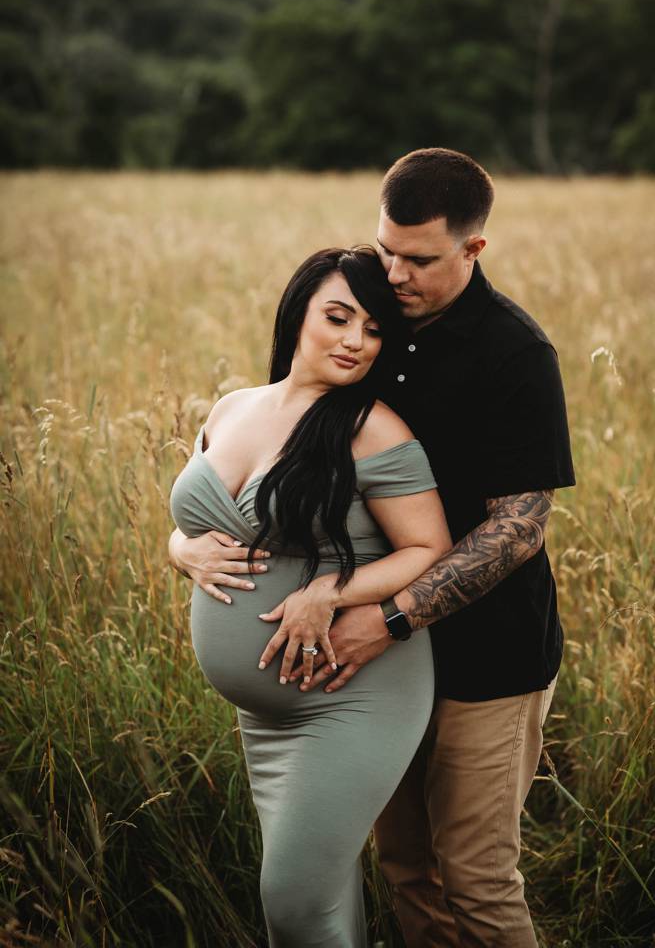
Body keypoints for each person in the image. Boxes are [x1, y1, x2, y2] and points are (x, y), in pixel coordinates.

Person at [172, 148, 575, 945]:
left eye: (418, 259)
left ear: (473, 249)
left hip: (485, 657)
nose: (393, 274)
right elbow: (262, 473)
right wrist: (182, 543)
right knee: (408, 871)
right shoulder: (371, 326)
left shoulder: (513, 355)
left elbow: (518, 528)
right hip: (373, 663)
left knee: (478, 878)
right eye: (384, 248)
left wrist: (384, 616)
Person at [169, 246, 452, 945]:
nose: (356, 341)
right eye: (338, 318)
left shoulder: (371, 427)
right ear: (298, 313)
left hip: (352, 697)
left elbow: (429, 549)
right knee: (318, 903)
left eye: (375, 329)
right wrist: (179, 549)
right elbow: (192, 526)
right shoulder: (233, 406)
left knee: (294, 900)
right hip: (265, 713)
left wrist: (331, 589)